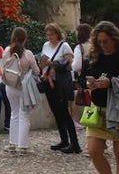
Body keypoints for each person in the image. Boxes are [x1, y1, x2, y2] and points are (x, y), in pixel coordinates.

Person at [82, 21, 119, 174]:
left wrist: (111, 83)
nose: (103, 45)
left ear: (114, 39)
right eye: (99, 42)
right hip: (97, 110)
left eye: (106, 41)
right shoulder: (94, 58)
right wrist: (88, 84)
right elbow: (82, 78)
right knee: (93, 151)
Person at [39, 22, 79, 154]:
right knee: (56, 111)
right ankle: (64, 140)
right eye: (47, 34)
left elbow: (68, 64)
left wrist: (52, 64)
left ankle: (74, 143)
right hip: (49, 81)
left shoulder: (64, 46)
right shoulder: (46, 45)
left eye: (51, 34)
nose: (49, 37)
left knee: (64, 112)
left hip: (60, 83)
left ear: (57, 34)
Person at [2, 26, 40, 154]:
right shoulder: (28, 54)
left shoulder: (7, 51)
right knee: (24, 115)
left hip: (10, 85)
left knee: (14, 113)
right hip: (23, 86)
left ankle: (12, 143)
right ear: (25, 39)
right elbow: (36, 71)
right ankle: (22, 145)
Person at [73, 23, 93, 132]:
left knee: (79, 98)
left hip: (83, 76)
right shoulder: (94, 46)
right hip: (94, 76)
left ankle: (74, 120)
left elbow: (77, 66)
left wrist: (71, 66)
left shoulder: (79, 48)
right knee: (92, 99)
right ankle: (91, 120)